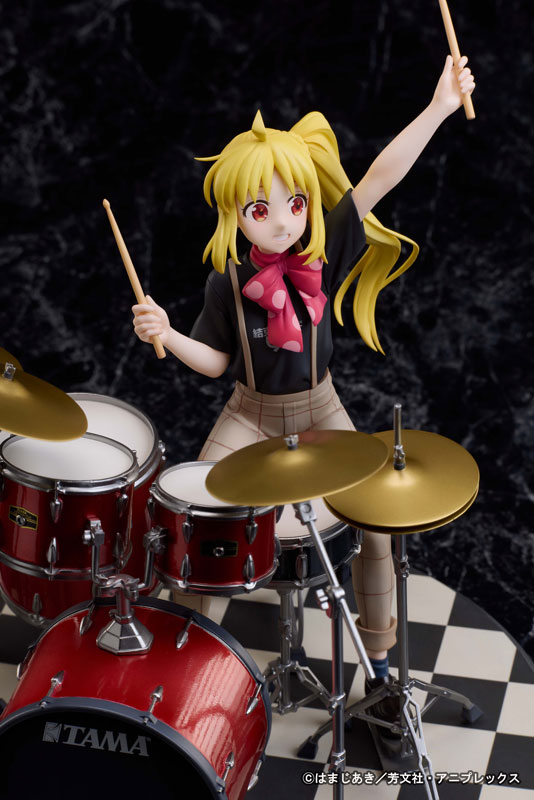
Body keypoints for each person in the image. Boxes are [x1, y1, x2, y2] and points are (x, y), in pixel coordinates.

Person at [132, 55, 475, 701]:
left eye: (294, 203)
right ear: (235, 214)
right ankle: (190, 659)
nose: (283, 221)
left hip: (320, 408)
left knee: (376, 518)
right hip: (249, 411)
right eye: (260, 209)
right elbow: (218, 363)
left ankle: (379, 668)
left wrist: (438, 108)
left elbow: (379, 178)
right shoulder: (227, 281)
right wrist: (168, 334)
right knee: (203, 516)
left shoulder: (324, 250)